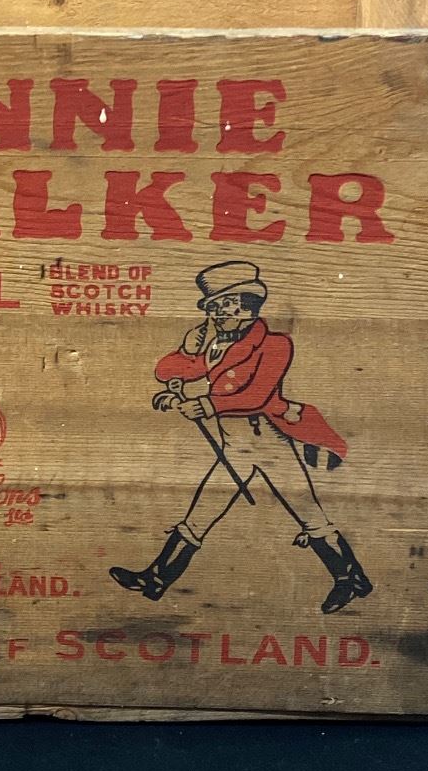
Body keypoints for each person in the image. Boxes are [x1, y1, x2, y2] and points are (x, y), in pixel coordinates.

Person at [109, 261, 373, 614]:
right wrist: (188, 352)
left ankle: (351, 580)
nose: (215, 314)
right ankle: (155, 580)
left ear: (246, 305)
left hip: (268, 440)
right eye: (212, 307)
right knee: (200, 515)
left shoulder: (275, 344)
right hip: (234, 444)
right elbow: (167, 371)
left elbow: (257, 395)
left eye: (222, 305)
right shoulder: (215, 345)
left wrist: (205, 404)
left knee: (309, 513)